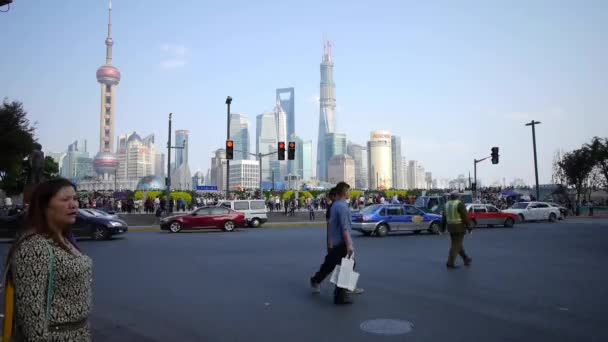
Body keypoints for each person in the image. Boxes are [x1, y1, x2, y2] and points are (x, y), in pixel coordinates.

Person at [4, 178, 93, 341]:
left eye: (75, 198)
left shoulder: (65, 238)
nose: (73, 204)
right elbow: (31, 313)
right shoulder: (34, 245)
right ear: (45, 206)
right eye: (65, 200)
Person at [310, 182, 362, 305]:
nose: (349, 193)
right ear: (344, 193)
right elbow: (345, 228)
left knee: (330, 264)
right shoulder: (342, 207)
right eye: (348, 191)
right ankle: (340, 295)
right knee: (348, 265)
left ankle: (317, 280)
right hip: (341, 242)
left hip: (336, 242)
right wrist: (349, 245)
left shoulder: (335, 206)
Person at [441, 190, 473, 269]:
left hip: (450, 227)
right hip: (459, 227)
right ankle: (450, 263)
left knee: (457, 244)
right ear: (458, 196)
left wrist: (442, 228)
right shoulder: (459, 204)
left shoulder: (446, 204)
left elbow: (444, 218)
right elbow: (465, 217)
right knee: (456, 245)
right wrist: (469, 227)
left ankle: (466, 259)